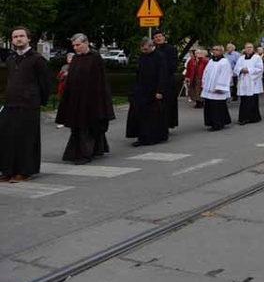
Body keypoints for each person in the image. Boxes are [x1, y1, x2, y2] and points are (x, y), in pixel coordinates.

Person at [56, 33, 115, 164]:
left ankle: (85, 154)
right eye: (74, 46)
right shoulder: (76, 59)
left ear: (86, 43)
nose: (76, 48)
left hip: (90, 99)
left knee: (88, 127)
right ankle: (92, 150)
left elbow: (99, 80)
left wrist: (97, 98)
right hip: (76, 99)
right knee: (78, 126)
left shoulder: (95, 58)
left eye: (78, 45)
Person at [0, 27, 50, 182]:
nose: (18, 39)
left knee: (25, 139)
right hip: (10, 104)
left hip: (29, 106)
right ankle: (7, 170)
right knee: (7, 138)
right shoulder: (10, 59)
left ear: (28, 38)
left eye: (21, 36)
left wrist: (38, 101)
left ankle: (24, 171)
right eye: (15, 37)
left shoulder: (37, 59)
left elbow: (45, 84)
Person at [126, 37, 169, 147]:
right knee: (140, 114)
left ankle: (155, 137)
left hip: (154, 90)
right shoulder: (142, 57)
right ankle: (142, 137)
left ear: (151, 46)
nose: (143, 51)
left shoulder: (160, 56)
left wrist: (160, 90)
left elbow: (163, 75)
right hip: (141, 90)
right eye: (142, 49)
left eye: (145, 49)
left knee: (153, 116)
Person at [201, 45, 232, 131]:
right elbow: (206, 72)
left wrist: (220, 86)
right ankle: (212, 122)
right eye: (213, 49)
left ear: (221, 51)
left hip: (217, 88)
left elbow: (225, 75)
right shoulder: (211, 61)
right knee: (210, 106)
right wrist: (204, 83)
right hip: (209, 88)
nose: (214, 51)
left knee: (218, 107)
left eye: (217, 50)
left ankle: (218, 124)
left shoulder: (224, 62)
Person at [153, 29, 178, 128]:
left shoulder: (170, 49)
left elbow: (173, 65)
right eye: (156, 37)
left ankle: (167, 123)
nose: (158, 38)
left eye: (160, 36)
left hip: (168, 79)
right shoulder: (155, 49)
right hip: (157, 80)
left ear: (164, 37)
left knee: (168, 103)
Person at [235, 43, 264, 124]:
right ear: (245, 49)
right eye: (247, 47)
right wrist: (241, 69)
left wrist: (249, 70)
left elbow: (260, 69)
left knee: (252, 100)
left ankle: (254, 117)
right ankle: (243, 118)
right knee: (244, 100)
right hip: (244, 81)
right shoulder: (241, 58)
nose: (249, 49)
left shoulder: (257, 58)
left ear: (253, 48)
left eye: (250, 47)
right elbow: (236, 68)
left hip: (252, 81)